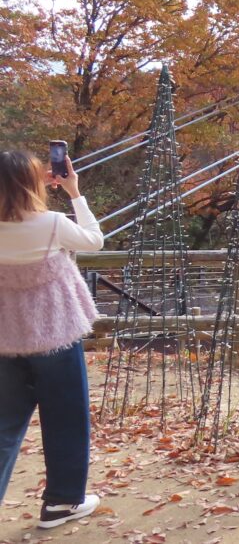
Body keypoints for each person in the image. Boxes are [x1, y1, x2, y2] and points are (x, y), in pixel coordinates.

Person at [0, 149, 103, 529]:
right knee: (66, 418)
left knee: (4, 424)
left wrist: (18, 184)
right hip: (55, 338)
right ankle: (61, 502)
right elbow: (94, 240)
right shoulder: (53, 224)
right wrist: (74, 192)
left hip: (5, 340)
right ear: (32, 184)